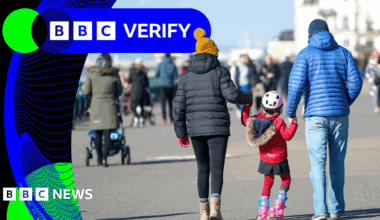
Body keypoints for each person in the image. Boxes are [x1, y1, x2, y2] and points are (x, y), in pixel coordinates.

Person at [286, 19, 363, 220]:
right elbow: (356, 82)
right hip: (339, 115)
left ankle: (320, 211)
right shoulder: (343, 52)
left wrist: (290, 111)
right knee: (337, 163)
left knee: (317, 165)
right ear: (328, 33)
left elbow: (295, 86)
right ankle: (336, 209)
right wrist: (344, 101)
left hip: (315, 116)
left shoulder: (305, 54)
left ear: (310, 35)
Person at [173, 28, 253, 220]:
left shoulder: (185, 75)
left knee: (202, 168)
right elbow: (232, 96)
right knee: (217, 167)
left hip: (195, 129)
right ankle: (216, 210)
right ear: (212, 52)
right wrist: (248, 97)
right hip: (217, 127)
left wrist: (181, 133)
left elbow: (178, 107)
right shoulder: (220, 71)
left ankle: (203, 212)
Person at [241, 91, 298, 220]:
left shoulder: (255, 120)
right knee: (286, 180)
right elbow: (287, 136)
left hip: (265, 157)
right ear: (279, 108)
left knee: (268, 180)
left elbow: (245, 120)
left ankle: (263, 210)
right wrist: (293, 122)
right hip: (280, 158)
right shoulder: (278, 122)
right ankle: (279, 203)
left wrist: (246, 106)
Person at [84, 53, 123, 167]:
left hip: (96, 106)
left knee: (97, 133)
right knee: (107, 133)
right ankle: (105, 159)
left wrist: (92, 97)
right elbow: (119, 91)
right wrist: (113, 95)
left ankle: (99, 158)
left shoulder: (91, 74)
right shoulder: (114, 74)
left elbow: (86, 91)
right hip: (110, 106)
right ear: (109, 61)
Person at [155, 53, 179, 125]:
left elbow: (156, 74)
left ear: (164, 56)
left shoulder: (161, 64)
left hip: (162, 85)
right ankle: (171, 118)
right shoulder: (173, 64)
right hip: (171, 85)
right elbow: (175, 75)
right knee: (170, 103)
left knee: (163, 103)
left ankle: (164, 119)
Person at [127, 58, 149, 127]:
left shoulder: (131, 71)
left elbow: (128, 81)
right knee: (141, 105)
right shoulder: (143, 72)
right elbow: (147, 83)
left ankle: (136, 119)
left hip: (134, 90)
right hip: (142, 90)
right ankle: (142, 119)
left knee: (134, 105)